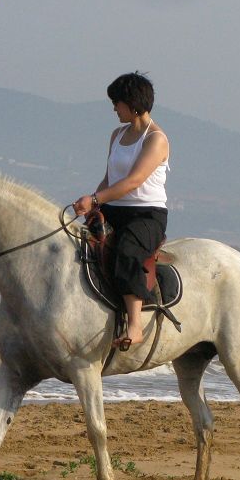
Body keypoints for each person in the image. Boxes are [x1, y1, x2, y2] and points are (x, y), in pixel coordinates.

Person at [73, 72, 169, 350]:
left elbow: (133, 181)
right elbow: (109, 180)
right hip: (113, 209)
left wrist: (93, 198)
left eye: (117, 103)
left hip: (146, 215)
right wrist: (93, 205)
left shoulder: (156, 139)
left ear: (132, 103)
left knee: (127, 252)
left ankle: (135, 325)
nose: (114, 108)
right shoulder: (117, 135)